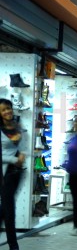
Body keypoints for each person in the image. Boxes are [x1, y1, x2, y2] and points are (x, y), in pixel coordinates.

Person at [0, 99, 26, 249]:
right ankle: (13, 246)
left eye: (8, 108)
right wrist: (14, 158)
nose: (7, 112)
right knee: (9, 210)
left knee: (6, 209)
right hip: (4, 174)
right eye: (3, 110)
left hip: (16, 173)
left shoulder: (17, 126)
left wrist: (23, 152)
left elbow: (23, 144)